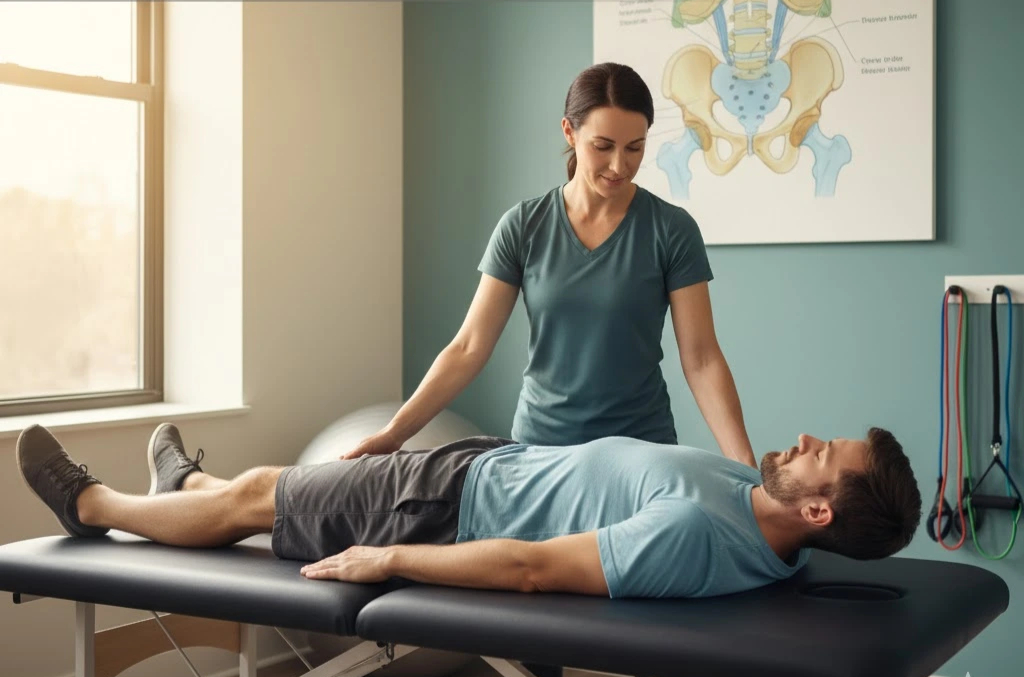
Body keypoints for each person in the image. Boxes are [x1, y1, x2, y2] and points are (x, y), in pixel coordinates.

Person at [347, 62, 756, 466]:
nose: (619, 165)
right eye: (603, 146)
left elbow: (702, 359)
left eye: (635, 147)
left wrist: (746, 471)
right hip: (540, 453)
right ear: (569, 132)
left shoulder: (671, 229)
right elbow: (469, 347)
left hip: (641, 453)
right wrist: (394, 433)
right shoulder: (523, 226)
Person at [17, 421, 921, 599]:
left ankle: (93, 505)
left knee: (261, 496)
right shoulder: (758, 511)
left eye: (823, 455)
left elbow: (536, 567)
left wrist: (392, 561)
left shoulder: (696, 537)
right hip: (484, 464)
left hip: (441, 509)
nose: (804, 437)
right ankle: (184, 487)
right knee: (262, 487)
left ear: (818, 516)